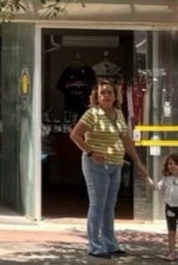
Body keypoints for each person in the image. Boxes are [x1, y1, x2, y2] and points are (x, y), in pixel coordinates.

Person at [70, 80, 148, 258]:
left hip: (116, 164)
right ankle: (94, 246)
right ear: (97, 97)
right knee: (97, 205)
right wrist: (91, 152)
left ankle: (110, 243)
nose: (106, 95)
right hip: (96, 165)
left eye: (109, 92)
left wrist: (138, 162)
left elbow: (125, 139)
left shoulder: (118, 114)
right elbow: (75, 135)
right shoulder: (92, 113)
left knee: (109, 206)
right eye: (102, 93)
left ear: (115, 96)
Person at [148, 153, 178, 262]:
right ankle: (172, 253)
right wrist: (147, 177)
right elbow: (156, 187)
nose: (172, 166)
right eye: (170, 164)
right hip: (170, 207)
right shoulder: (166, 178)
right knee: (171, 231)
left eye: (175, 164)